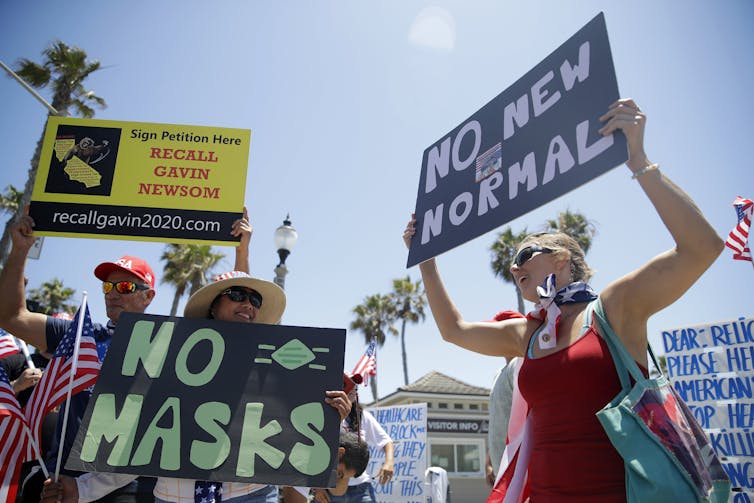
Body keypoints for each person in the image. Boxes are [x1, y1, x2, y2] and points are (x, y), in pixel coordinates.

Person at [402, 99, 724, 502]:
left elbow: (702, 248)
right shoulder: (529, 332)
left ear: (561, 259)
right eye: (510, 264)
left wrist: (638, 161)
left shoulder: (614, 309)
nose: (514, 267)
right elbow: (454, 331)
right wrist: (427, 262)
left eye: (524, 255)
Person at [41, 211, 353, 503]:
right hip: (175, 496)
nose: (248, 304)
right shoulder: (166, 358)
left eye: (255, 299)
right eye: (237, 296)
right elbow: (137, 441)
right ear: (213, 306)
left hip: (251, 494)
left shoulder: (273, 367)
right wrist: (81, 490)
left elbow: (293, 431)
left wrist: (328, 419)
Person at [0, 211, 161, 503]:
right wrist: (20, 250)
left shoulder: (169, 345)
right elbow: (12, 317)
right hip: (62, 479)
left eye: (124, 287)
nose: (112, 294)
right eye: (108, 287)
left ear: (147, 296)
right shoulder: (81, 336)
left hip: (132, 485)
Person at [313, 383, 394, 503]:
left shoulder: (362, 417)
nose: (352, 389)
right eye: (347, 384)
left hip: (361, 488)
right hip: (329, 488)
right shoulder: (323, 414)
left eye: (355, 386)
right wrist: (317, 487)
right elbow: (314, 452)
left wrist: (389, 463)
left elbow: (386, 441)